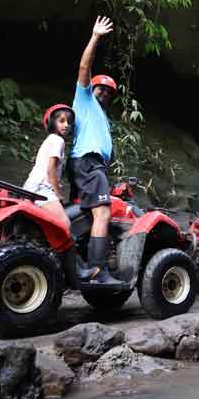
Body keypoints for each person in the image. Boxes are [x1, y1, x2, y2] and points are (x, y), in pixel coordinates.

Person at [66, 15, 123, 286]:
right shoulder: (84, 100)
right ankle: (99, 272)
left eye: (109, 92)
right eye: (101, 88)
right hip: (88, 163)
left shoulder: (101, 117)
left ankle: (76, 264)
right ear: (92, 88)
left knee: (87, 215)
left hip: (91, 165)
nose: (105, 93)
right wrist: (96, 37)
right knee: (103, 214)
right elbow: (83, 67)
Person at [23, 104, 75, 228]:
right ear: (52, 122)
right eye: (61, 121)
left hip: (31, 186)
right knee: (65, 224)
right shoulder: (58, 141)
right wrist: (58, 193)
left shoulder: (50, 139)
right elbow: (51, 169)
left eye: (68, 122)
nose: (66, 125)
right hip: (42, 188)